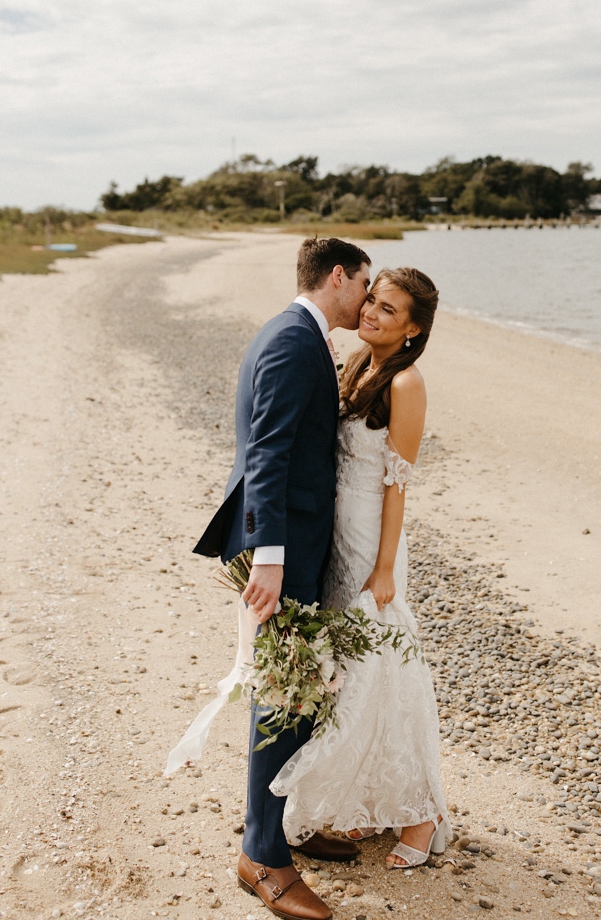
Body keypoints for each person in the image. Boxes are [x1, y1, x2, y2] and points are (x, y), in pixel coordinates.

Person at [192, 237, 371, 920]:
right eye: (363, 282)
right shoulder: (295, 342)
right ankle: (262, 858)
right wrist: (270, 555)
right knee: (284, 694)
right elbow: (264, 451)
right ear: (337, 277)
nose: (366, 295)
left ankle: (288, 823)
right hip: (282, 548)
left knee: (306, 688)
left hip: (296, 540)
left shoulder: (299, 333)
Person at [270, 267, 450, 870]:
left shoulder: (407, 383)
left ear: (412, 330)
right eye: (371, 300)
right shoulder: (356, 364)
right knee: (351, 670)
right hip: (339, 538)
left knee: (388, 665)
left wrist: (384, 568)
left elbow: (399, 485)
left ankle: (422, 816)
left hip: (374, 538)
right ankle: (371, 792)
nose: (371, 312)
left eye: (388, 310)